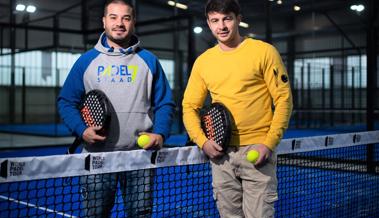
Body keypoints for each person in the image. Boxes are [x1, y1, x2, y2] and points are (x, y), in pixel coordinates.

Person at [57, 0, 175, 217]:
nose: (119, 23)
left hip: (140, 158)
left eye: (125, 18)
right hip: (97, 158)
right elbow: (66, 101)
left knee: (140, 215)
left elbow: (165, 102)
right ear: (104, 21)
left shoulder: (149, 61)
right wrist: (82, 130)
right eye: (113, 17)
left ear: (133, 22)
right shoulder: (86, 61)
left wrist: (160, 134)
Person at [182, 0, 293, 217]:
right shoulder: (203, 62)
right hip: (221, 156)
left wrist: (268, 144)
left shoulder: (264, 52)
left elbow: (283, 99)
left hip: (257, 150)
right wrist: (202, 141)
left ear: (238, 20)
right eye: (215, 20)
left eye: (227, 19)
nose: (221, 26)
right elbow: (189, 106)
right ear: (208, 23)